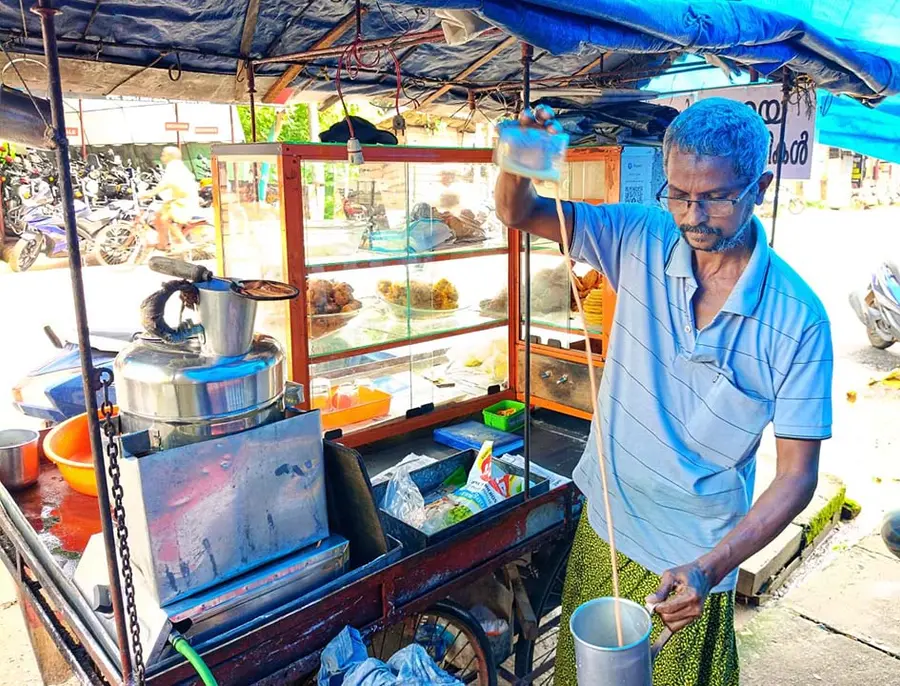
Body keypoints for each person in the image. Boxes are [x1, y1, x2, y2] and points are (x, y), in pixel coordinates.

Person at [495, 98, 832, 685]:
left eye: (715, 197)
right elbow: (517, 211)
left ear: (760, 188)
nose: (692, 217)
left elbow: (797, 476)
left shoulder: (799, 318)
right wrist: (520, 157)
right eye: (678, 194)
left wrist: (711, 568)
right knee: (588, 676)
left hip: (693, 557)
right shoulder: (639, 236)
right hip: (608, 526)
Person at [140, 146, 200, 251]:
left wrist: (149, 194)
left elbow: (166, 183)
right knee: (157, 215)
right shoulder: (175, 166)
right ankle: (163, 243)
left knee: (165, 218)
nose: (161, 157)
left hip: (183, 202)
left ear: (170, 156)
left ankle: (183, 242)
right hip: (178, 199)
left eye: (164, 155)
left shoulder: (174, 166)